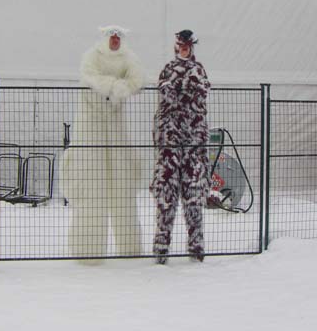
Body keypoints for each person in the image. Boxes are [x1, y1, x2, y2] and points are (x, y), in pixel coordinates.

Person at [63, 25, 145, 263]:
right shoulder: (92, 56)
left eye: (119, 37)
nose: (116, 40)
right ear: (106, 37)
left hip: (116, 120)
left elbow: (137, 79)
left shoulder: (129, 58)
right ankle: (88, 251)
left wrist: (122, 88)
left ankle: (129, 248)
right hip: (91, 120)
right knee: (91, 184)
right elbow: (89, 77)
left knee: (121, 185)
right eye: (112, 36)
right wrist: (114, 86)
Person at [151, 29, 211, 264]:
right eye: (180, 45)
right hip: (170, 145)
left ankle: (196, 248)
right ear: (176, 46)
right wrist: (185, 89)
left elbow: (201, 93)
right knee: (166, 197)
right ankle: (161, 249)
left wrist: (181, 88)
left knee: (194, 197)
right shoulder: (168, 69)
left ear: (191, 47)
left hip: (194, 145)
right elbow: (167, 95)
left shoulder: (199, 69)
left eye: (187, 45)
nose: (184, 48)